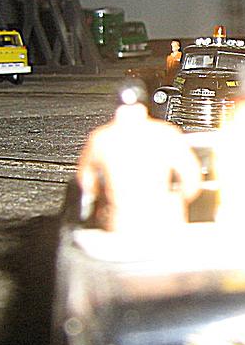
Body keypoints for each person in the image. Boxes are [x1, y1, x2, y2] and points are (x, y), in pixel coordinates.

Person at [76, 80, 202, 234]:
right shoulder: (166, 133)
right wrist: (178, 201)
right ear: (145, 103)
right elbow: (192, 177)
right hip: (164, 221)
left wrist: (103, 200)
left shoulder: (102, 137)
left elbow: (86, 180)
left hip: (121, 222)